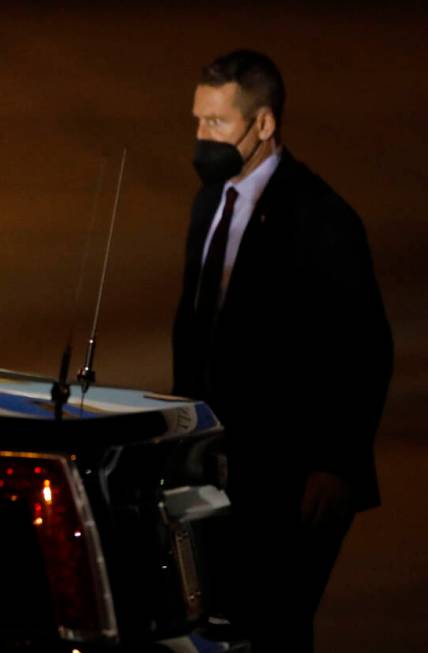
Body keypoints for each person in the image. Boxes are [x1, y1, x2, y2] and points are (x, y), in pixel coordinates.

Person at [172, 50, 392, 652]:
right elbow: (196, 326)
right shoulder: (209, 203)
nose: (201, 137)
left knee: (273, 626)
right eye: (197, 120)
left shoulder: (321, 219)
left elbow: (365, 347)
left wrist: (337, 463)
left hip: (291, 476)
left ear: (263, 125)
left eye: (216, 123)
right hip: (221, 464)